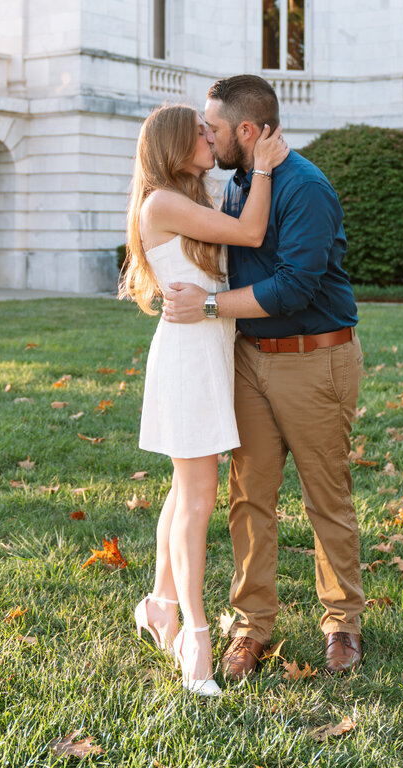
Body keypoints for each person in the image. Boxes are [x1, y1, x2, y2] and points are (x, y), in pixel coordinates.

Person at [162, 75, 365, 678]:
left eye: (214, 128)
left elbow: (294, 286)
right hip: (249, 360)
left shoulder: (305, 186)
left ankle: (343, 624)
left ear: (246, 131)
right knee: (249, 497)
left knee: (325, 495)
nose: (207, 135)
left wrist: (206, 306)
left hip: (315, 357)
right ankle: (251, 628)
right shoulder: (242, 183)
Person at [120, 101, 288, 696]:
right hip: (189, 356)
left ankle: (160, 604)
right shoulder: (163, 202)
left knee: (185, 488)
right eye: (198, 131)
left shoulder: (196, 198)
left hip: (208, 351)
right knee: (198, 496)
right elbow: (250, 234)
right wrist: (264, 167)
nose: (208, 137)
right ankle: (195, 635)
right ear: (171, 144)